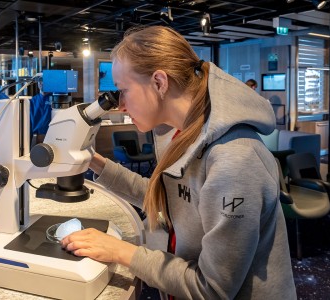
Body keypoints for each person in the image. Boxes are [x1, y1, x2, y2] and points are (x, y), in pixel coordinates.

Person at [61, 26, 296, 299]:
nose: (120, 105)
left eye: (124, 90)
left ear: (160, 83)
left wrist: (122, 251)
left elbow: (212, 289)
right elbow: (170, 201)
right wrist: (96, 163)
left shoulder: (234, 160)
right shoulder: (178, 133)